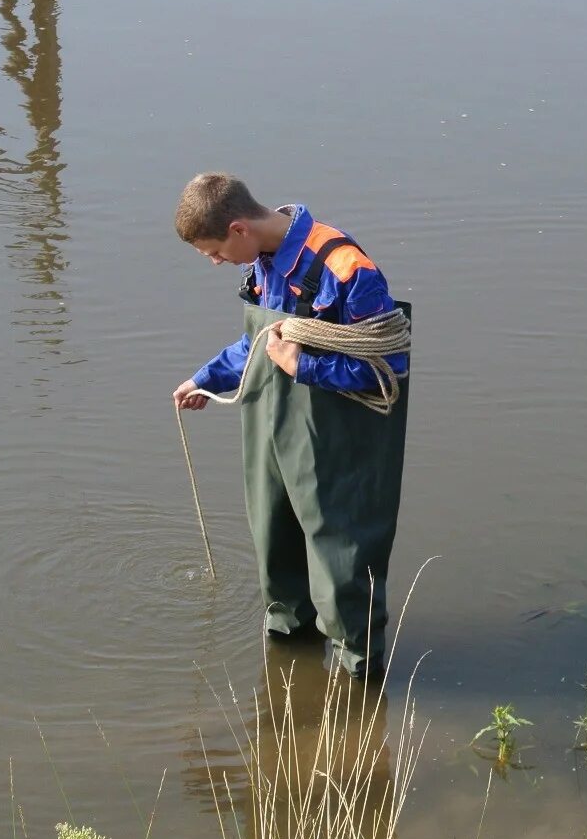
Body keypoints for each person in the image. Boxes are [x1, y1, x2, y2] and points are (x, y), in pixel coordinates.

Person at [172, 173, 410, 680]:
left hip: (338, 438)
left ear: (238, 229)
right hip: (274, 429)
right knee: (274, 537)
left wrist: (302, 367)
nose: (216, 263)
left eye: (214, 252)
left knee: (341, 551)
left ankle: (357, 675)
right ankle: (289, 651)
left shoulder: (346, 269)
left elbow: (387, 368)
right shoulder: (262, 263)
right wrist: (205, 378)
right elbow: (259, 345)